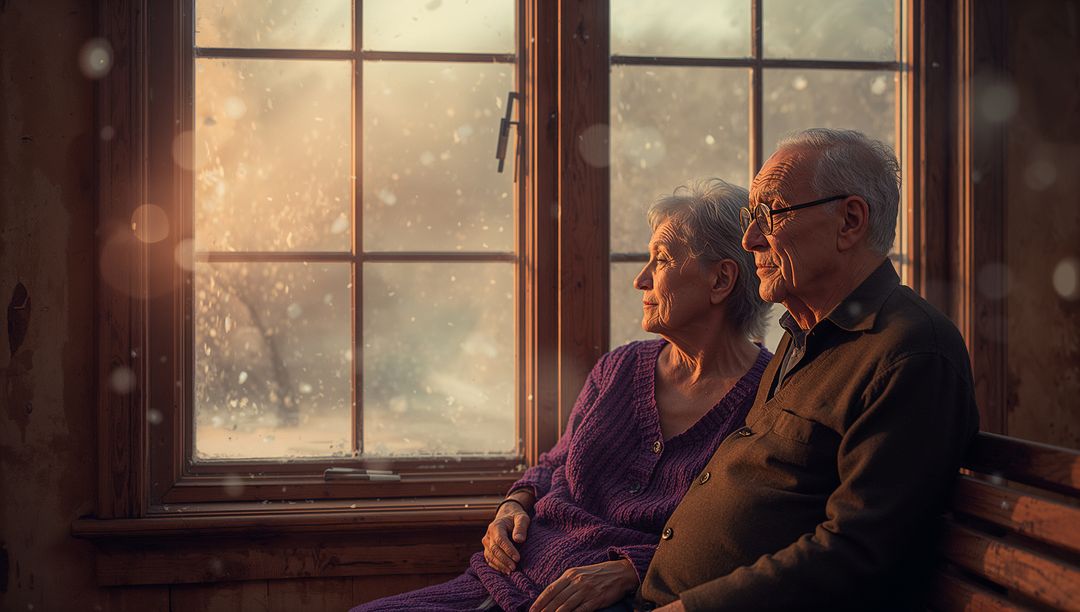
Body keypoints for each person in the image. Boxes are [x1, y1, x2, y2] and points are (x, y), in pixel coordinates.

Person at [350, 178, 772, 612]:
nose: (640, 280)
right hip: (506, 581)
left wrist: (635, 569)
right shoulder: (621, 367)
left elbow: (748, 534)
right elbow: (556, 464)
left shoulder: (769, 398)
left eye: (661, 260)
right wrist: (513, 505)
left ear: (721, 279)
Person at [638, 129, 981, 611]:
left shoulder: (911, 353)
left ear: (850, 221)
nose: (749, 240)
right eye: (751, 217)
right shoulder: (805, 334)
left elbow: (859, 553)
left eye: (771, 214)